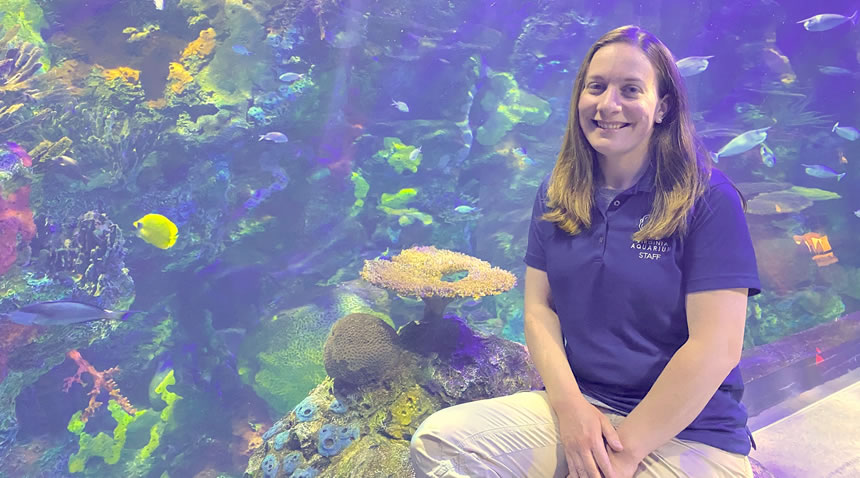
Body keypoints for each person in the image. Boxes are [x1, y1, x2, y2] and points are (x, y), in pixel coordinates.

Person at [409, 25, 761, 478]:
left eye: (631, 89)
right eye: (596, 87)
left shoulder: (708, 198)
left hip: (690, 431)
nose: (608, 105)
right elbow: (538, 310)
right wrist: (571, 410)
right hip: (584, 408)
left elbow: (716, 347)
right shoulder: (559, 192)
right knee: (441, 446)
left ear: (663, 107)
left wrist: (625, 451)